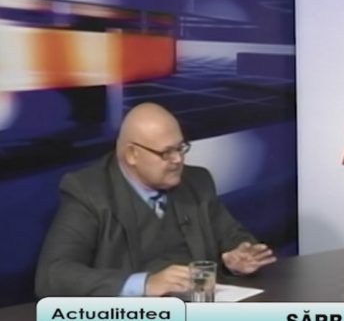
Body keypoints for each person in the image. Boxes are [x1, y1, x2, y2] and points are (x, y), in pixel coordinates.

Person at [35, 102, 276, 297]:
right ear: (132, 154)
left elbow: (232, 236)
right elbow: (53, 275)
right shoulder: (89, 192)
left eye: (181, 148)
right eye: (166, 152)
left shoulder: (197, 182)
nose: (178, 160)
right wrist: (146, 284)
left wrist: (238, 256)